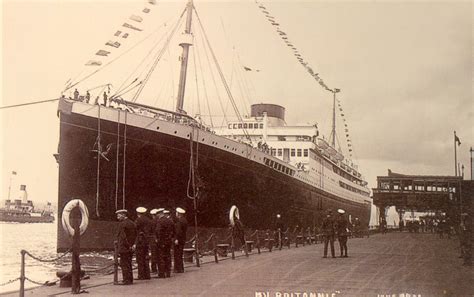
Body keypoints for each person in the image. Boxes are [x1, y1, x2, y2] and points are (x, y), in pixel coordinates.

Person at [115, 209, 137, 285]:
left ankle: (126, 280)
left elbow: (123, 237)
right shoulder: (132, 223)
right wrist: (132, 245)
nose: (118, 217)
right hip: (130, 247)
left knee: (124, 264)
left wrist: (127, 246)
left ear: (124, 215)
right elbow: (134, 235)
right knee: (129, 263)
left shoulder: (123, 224)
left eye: (119, 215)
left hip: (124, 247)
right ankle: (130, 279)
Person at [134, 207, 152, 280]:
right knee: (146, 258)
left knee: (140, 259)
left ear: (138, 213)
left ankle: (141, 275)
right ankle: (147, 274)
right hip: (146, 241)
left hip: (140, 241)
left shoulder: (138, 220)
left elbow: (135, 229)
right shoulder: (148, 220)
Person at [156, 209, 174, 278]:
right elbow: (173, 230)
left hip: (162, 241)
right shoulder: (169, 220)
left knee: (161, 257)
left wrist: (158, 239)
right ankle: (168, 272)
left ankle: (162, 273)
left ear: (159, 214)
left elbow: (158, 231)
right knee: (168, 256)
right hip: (168, 241)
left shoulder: (160, 221)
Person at [173, 207, 188, 273]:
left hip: (179, 240)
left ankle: (178, 268)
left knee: (177, 254)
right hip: (183, 239)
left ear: (178, 214)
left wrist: (176, 239)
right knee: (180, 253)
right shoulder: (184, 220)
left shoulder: (180, 221)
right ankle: (181, 268)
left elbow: (178, 231)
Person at [149, 208, 160, 274]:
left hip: (153, 239)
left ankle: (154, 269)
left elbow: (150, 231)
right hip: (159, 239)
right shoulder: (160, 221)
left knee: (153, 254)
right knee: (159, 254)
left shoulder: (151, 222)